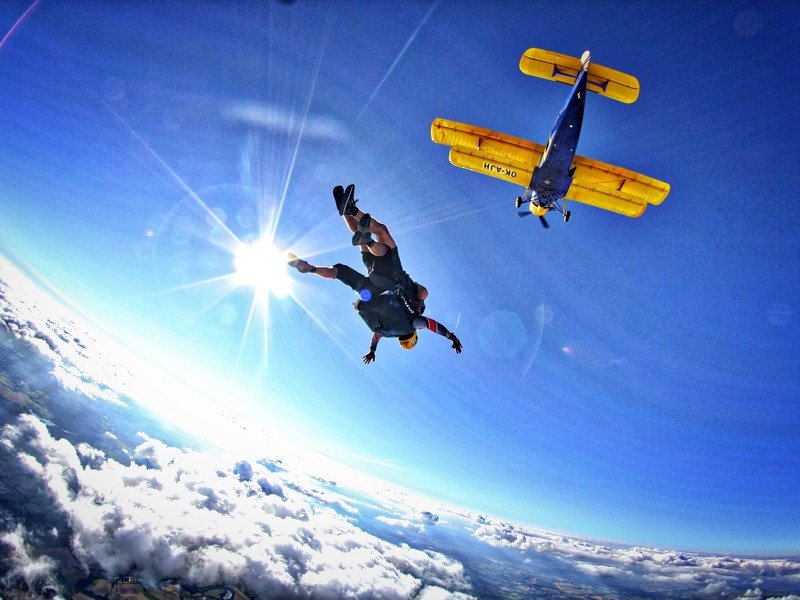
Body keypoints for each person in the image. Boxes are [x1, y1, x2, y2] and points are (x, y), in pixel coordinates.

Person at [286, 254, 462, 363]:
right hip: (367, 298)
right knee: (339, 272)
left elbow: (432, 325)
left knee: (365, 268)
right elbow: (375, 337)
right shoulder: (387, 334)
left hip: (383, 292)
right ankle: (313, 269)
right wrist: (372, 351)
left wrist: (451, 337)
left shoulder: (412, 324)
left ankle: (313, 268)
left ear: (413, 336)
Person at [333, 184, 427, 313]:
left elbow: (423, 292)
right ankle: (345, 212)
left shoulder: (414, 297)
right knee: (360, 232)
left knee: (382, 231)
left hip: (392, 271)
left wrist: (419, 295)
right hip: (374, 274)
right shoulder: (398, 307)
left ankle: (351, 210)